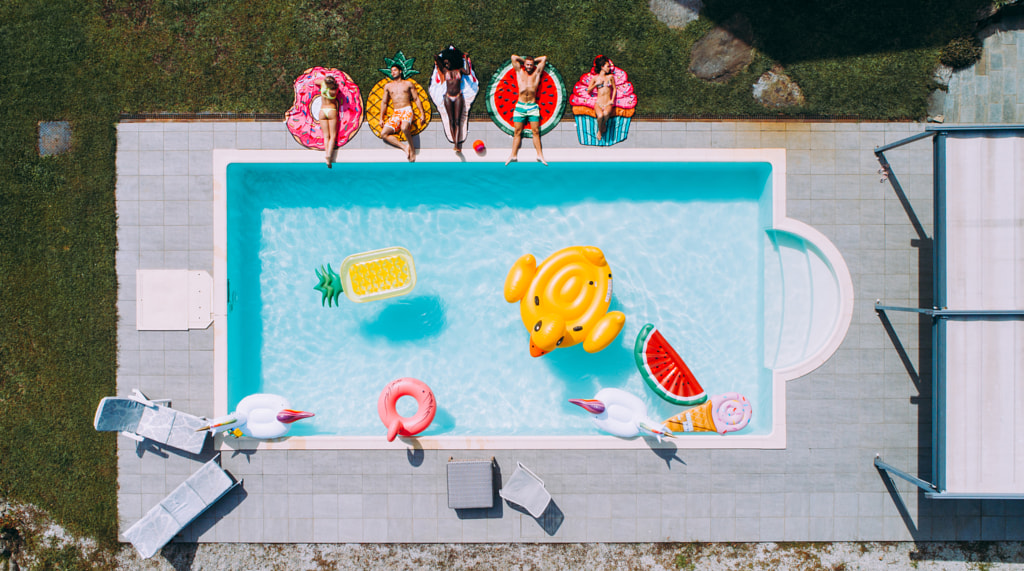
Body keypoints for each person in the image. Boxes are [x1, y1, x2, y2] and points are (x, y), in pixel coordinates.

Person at [505, 54, 548, 166]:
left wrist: (533, 60)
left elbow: (543, 58)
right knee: (517, 132)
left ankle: (540, 155)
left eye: (531, 65)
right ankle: (513, 155)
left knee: (536, 132)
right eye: (527, 64)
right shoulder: (519, 72)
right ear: (524, 65)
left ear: (534, 65)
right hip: (520, 106)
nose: (529, 66)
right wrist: (524, 60)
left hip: (533, 106)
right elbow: (513, 57)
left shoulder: (537, 73)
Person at [380, 65, 426, 162]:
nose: (393, 72)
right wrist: (381, 118)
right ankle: (405, 147)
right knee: (383, 134)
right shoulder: (388, 86)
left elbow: (416, 99)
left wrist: (422, 114)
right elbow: (384, 102)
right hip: (396, 112)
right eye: (391, 71)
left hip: (406, 110)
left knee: (404, 127)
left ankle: (412, 150)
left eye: (395, 70)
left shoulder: (408, 84)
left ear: (400, 71)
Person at [435, 49, 473, 153]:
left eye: (448, 62)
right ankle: (456, 144)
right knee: (451, 120)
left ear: (452, 61)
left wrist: (465, 58)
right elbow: (437, 60)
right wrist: (438, 57)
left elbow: (468, 72)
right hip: (447, 96)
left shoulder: (459, 70)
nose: (446, 64)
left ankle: (457, 145)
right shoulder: (445, 71)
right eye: (445, 62)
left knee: (457, 121)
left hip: (458, 96)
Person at [587, 55, 616, 141]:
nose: (609, 68)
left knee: (606, 114)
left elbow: (614, 89)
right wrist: (596, 84)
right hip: (598, 103)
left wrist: (612, 100)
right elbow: (588, 90)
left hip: (607, 102)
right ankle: (600, 130)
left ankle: (603, 125)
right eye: (607, 66)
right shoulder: (595, 78)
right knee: (600, 115)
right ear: (602, 67)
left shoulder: (610, 77)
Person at [314, 76, 341, 167]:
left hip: (322, 111)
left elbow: (315, 81)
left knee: (326, 136)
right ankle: (329, 155)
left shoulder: (323, 85)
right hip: (331, 110)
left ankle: (326, 154)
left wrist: (324, 81)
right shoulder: (334, 91)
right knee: (332, 136)